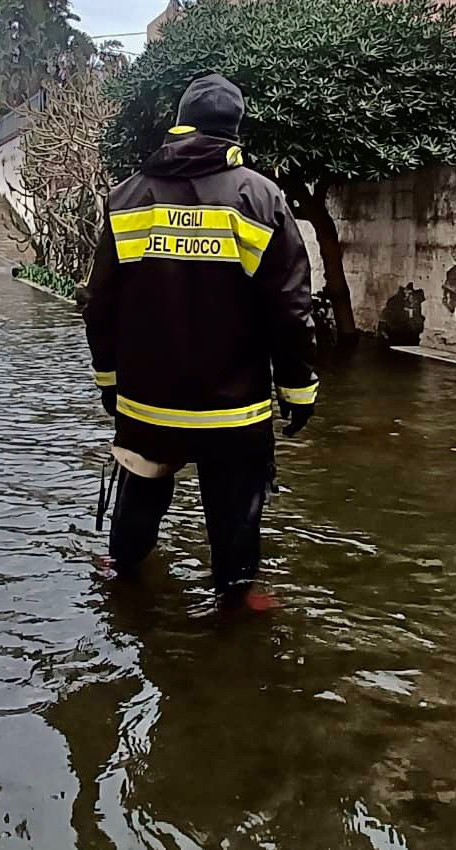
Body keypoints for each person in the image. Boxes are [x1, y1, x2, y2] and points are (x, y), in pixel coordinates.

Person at [82, 72, 318, 608]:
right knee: (236, 511)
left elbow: (99, 303)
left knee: (139, 494)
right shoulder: (261, 198)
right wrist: (298, 388)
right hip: (234, 410)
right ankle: (236, 602)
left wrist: (109, 380)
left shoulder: (127, 197)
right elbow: (290, 306)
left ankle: (121, 577)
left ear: (180, 124)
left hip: (147, 403)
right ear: (234, 133)